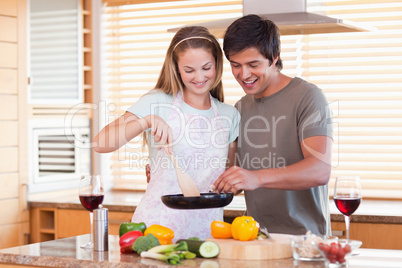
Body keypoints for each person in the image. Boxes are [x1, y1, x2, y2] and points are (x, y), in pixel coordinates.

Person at [93, 26, 240, 240]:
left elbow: (227, 180)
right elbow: (100, 143)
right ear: (177, 68)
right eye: (189, 70)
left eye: (206, 67)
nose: (199, 77)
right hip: (155, 228)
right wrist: (147, 121)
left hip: (206, 233)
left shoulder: (230, 115)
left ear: (217, 64)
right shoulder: (157, 102)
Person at [212, 14, 333, 236]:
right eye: (236, 65)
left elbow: (319, 169)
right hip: (254, 239)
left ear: (274, 57)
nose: (243, 74)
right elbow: (232, 174)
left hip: (304, 243)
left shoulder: (308, 97)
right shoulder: (240, 108)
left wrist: (256, 178)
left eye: (253, 64)